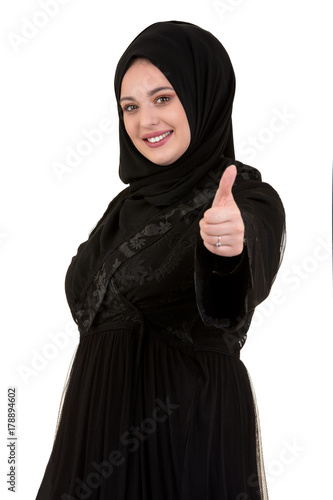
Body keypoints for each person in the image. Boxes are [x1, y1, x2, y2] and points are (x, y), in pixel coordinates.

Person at [36, 20, 285, 500]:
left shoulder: (244, 198)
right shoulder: (124, 210)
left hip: (183, 435)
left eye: (163, 98)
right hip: (95, 439)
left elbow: (235, 286)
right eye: (130, 106)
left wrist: (228, 250)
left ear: (202, 96)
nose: (144, 120)